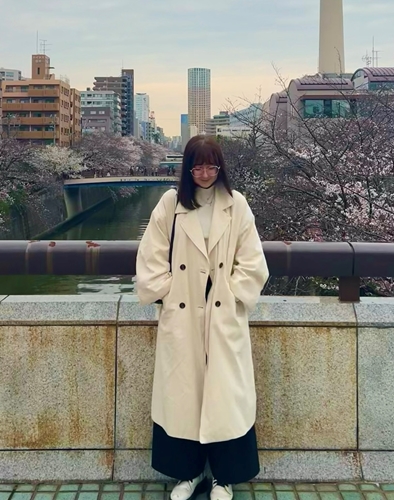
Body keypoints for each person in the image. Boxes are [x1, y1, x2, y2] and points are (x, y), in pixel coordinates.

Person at [136, 135, 269, 500]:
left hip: (223, 312)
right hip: (183, 311)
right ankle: (188, 473)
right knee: (183, 395)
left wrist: (233, 296)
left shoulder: (237, 204)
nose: (206, 174)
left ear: (221, 167)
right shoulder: (170, 204)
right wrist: (168, 293)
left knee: (227, 395)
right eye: (198, 167)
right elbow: (150, 255)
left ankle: (225, 477)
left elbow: (253, 261)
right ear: (187, 169)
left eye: (212, 166)